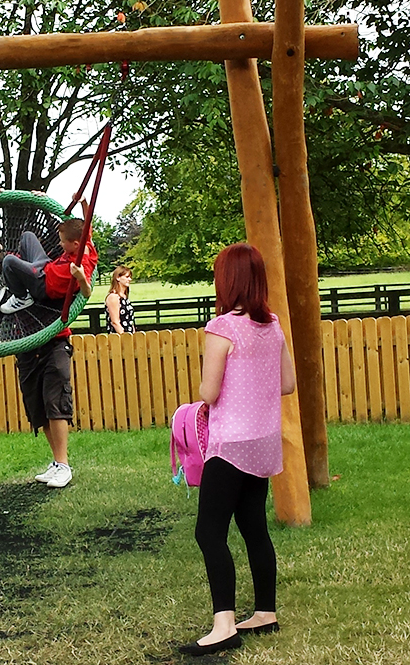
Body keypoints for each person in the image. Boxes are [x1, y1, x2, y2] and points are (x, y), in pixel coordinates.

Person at [179, 243, 296, 657]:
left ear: (226, 281)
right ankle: (265, 611)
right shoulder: (274, 324)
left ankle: (224, 625)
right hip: (263, 444)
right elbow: (287, 384)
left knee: (208, 532)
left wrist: (201, 397)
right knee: (253, 527)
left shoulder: (221, 327)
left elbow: (208, 391)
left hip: (229, 446)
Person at [15, 257, 92, 489]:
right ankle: (58, 463)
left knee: (55, 401)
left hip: (55, 341)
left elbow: (86, 291)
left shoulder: (50, 272)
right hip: (27, 345)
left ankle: (64, 465)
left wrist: (81, 278)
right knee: (39, 406)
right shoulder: (15, 275)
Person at [0, 197, 98, 315]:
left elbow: (87, 292)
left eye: (62, 241)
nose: (60, 243)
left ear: (75, 244)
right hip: (46, 265)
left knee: (9, 261)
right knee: (28, 236)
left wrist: (80, 277)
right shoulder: (85, 241)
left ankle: (22, 298)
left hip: (43, 284)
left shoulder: (82, 263)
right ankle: (24, 279)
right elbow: (88, 221)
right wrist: (83, 202)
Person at [104, 266, 135, 334]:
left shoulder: (124, 297)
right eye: (127, 277)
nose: (130, 279)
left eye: (130, 277)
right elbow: (115, 322)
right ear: (118, 278)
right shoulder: (113, 297)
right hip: (118, 338)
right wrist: (124, 338)